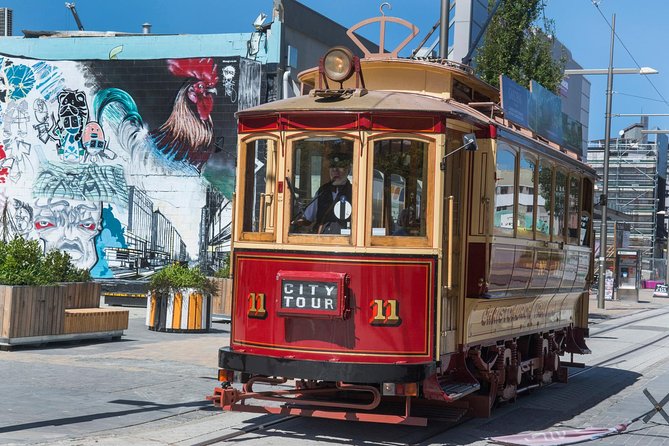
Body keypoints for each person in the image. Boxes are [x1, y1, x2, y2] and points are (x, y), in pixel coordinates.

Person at [294, 151, 353, 234]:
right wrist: (296, 224)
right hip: (323, 240)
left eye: (340, 167)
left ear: (348, 170)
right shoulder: (322, 191)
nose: (335, 171)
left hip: (346, 241)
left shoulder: (354, 193)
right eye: (332, 168)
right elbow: (308, 217)